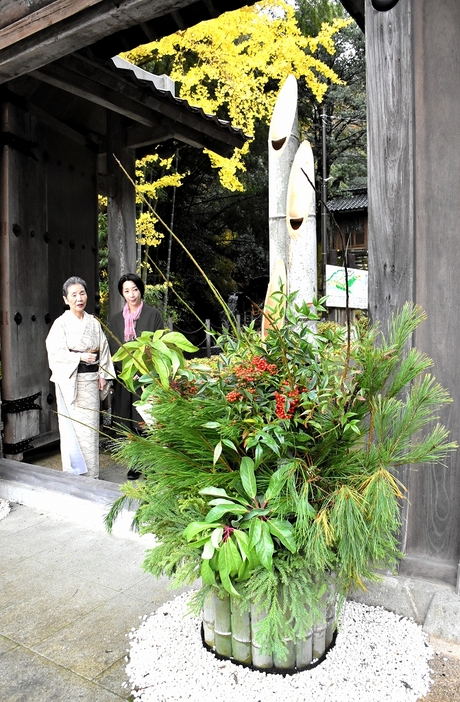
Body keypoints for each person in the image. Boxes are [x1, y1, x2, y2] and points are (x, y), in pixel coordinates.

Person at [46, 276, 114, 479]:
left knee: (90, 429)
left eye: (82, 293)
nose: (79, 298)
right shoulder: (60, 324)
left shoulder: (93, 322)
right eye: (73, 295)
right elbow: (55, 352)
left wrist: (103, 374)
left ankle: (92, 474)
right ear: (66, 299)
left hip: (91, 383)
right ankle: (73, 475)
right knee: (72, 431)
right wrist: (79, 357)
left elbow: (104, 349)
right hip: (71, 384)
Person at [109, 273, 164, 478]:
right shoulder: (115, 320)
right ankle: (136, 463)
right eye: (126, 291)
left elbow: (160, 345)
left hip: (146, 378)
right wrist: (123, 373)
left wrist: (146, 372)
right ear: (122, 294)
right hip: (125, 379)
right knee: (127, 420)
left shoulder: (152, 315)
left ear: (141, 290)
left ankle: (152, 463)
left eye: (134, 289)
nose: (131, 294)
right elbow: (113, 349)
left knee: (147, 420)